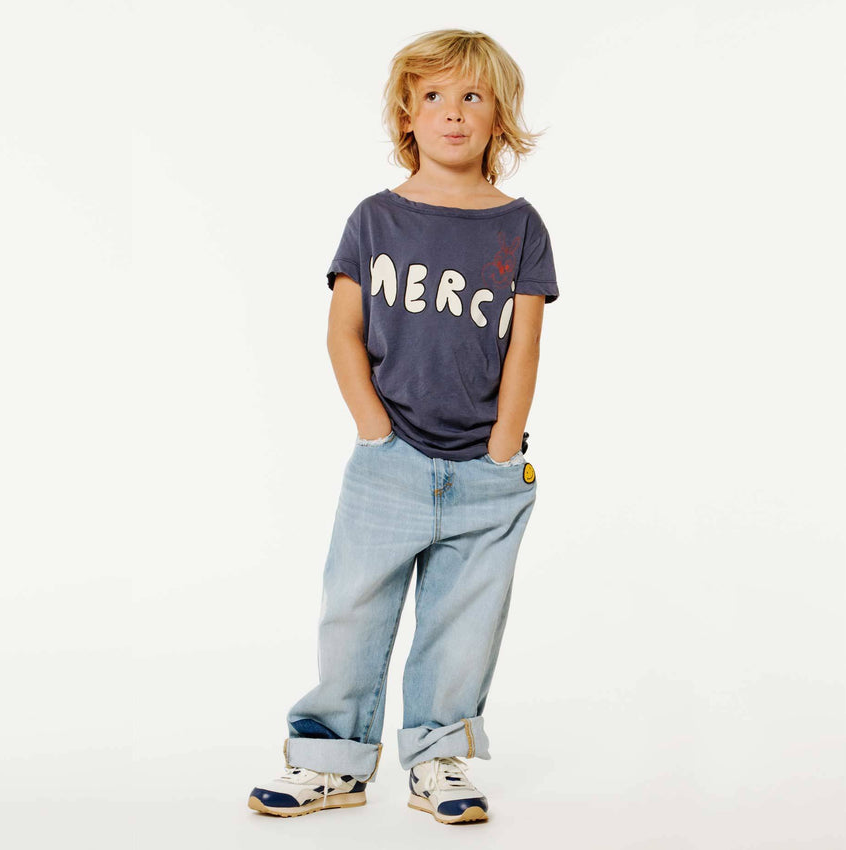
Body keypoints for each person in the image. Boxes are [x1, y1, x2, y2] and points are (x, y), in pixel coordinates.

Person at [248, 28, 559, 824]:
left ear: (498, 118)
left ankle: (438, 759)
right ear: (407, 115)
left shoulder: (520, 227)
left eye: (472, 96)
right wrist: (374, 431)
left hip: (486, 473)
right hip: (388, 462)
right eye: (433, 97)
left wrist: (502, 448)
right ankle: (331, 763)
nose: (453, 112)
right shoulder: (375, 220)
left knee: (463, 627)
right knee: (352, 612)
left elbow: (524, 346)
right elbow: (342, 332)